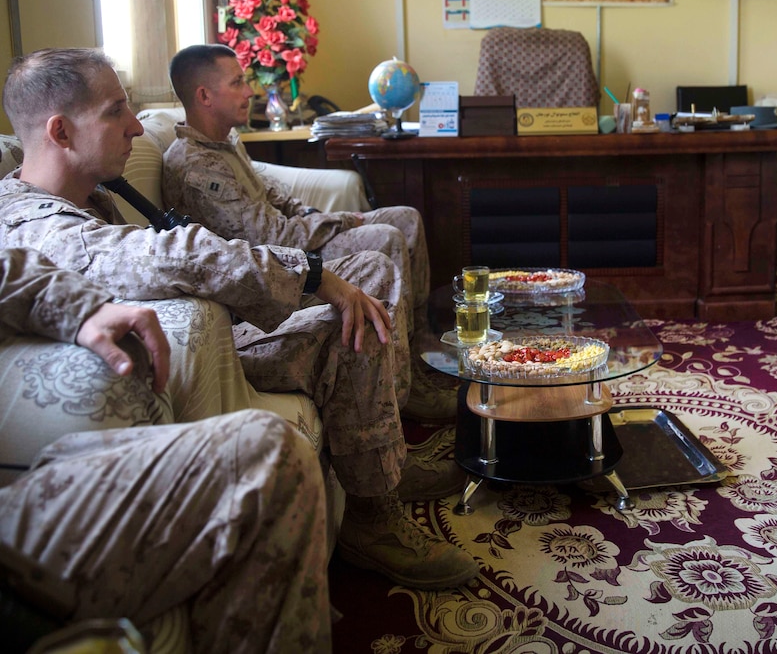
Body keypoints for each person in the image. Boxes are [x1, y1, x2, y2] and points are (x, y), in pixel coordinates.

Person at [0, 47, 477, 590]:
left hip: (225, 324)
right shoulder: (34, 224)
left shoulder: (90, 194)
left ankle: (381, 472)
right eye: (115, 112)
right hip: (204, 345)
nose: (135, 127)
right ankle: (372, 520)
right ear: (60, 133)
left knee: (362, 289)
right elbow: (178, 254)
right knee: (350, 317)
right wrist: (315, 276)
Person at [0, 247, 331, 653]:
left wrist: (80, 307)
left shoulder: (103, 201)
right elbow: (145, 253)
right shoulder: (26, 210)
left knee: (263, 454)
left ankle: (373, 510)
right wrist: (309, 271)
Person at [163, 43, 454, 423]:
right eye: (237, 82)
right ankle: (404, 387)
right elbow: (273, 236)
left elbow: (275, 198)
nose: (249, 91)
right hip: (276, 266)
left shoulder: (225, 144)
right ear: (204, 95)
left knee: (407, 218)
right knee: (386, 238)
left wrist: (317, 214)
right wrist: (345, 221)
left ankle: (417, 349)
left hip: (291, 241)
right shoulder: (196, 166)